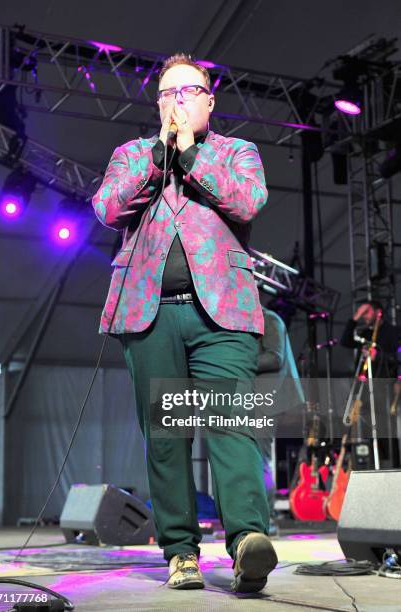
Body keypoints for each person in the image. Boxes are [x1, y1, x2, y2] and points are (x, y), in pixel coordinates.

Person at [92, 53, 278, 592]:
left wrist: (192, 154)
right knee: (167, 438)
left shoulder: (236, 152)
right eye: (168, 93)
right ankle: (180, 551)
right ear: (158, 104)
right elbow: (106, 208)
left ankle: (247, 542)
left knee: (231, 426)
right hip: (150, 315)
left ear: (209, 101)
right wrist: (159, 156)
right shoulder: (133, 155)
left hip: (224, 315)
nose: (178, 101)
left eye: (189, 91)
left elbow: (247, 202)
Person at [256, 307, 305, 526]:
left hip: (268, 399)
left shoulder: (269, 318)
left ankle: (267, 519)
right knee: (256, 459)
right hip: (256, 398)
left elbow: (274, 358)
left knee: (260, 459)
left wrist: (234, 364)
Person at [340, 300, 401, 467]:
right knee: (365, 426)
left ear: (378, 312)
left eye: (367, 312)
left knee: (385, 429)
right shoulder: (366, 333)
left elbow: (397, 358)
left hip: (385, 385)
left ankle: (392, 467)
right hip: (365, 387)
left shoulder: (393, 332)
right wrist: (355, 317)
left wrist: (378, 357)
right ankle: (371, 465)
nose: (365, 317)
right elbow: (345, 341)